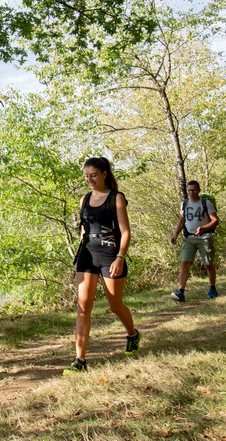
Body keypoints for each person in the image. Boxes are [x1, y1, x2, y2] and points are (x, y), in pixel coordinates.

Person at [63, 156, 140, 375]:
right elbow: (83, 230)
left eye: (93, 175)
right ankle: (80, 360)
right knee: (83, 306)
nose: (89, 180)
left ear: (104, 174)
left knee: (115, 305)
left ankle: (133, 334)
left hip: (110, 255)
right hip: (87, 256)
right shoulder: (84, 199)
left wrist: (120, 257)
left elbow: (126, 232)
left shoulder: (116, 198)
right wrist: (80, 252)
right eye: (86, 176)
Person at [170, 181, 220, 301]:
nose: (191, 192)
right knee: (185, 263)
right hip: (189, 238)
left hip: (205, 237)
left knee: (208, 264)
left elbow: (215, 220)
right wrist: (175, 234)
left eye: (193, 190)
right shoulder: (184, 204)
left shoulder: (205, 203)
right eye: (189, 190)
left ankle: (212, 288)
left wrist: (204, 228)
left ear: (198, 190)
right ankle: (180, 291)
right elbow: (182, 221)